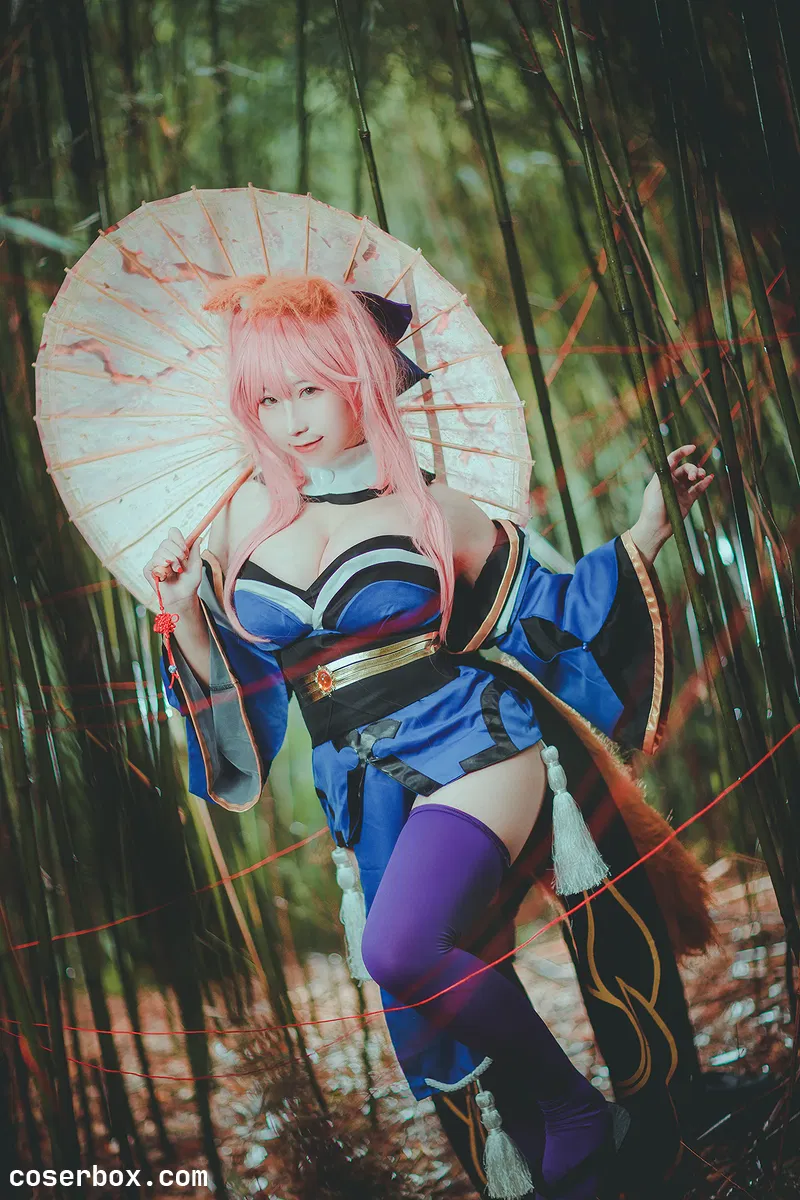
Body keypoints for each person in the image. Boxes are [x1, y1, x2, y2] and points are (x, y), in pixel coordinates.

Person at [145, 273, 716, 1199]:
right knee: (430, 974)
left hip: (473, 740)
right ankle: (565, 1158)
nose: (290, 419)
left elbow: (550, 615)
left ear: (359, 374)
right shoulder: (240, 519)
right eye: (268, 398)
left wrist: (646, 534)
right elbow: (242, 689)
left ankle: (575, 1109)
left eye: (310, 388)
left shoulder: (431, 506)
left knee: (398, 948)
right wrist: (186, 612)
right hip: (359, 780)